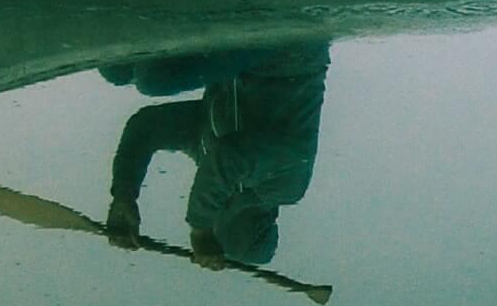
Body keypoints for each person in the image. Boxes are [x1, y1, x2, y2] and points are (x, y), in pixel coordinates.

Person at [100, 42, 330, 267]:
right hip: (287, 54)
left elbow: (146, 126)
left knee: (116, 70)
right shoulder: (286, 187)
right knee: (153, 79)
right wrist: (200, 227)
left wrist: (124, 195)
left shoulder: (205, 149)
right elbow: (231, 156)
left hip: (239, 58)